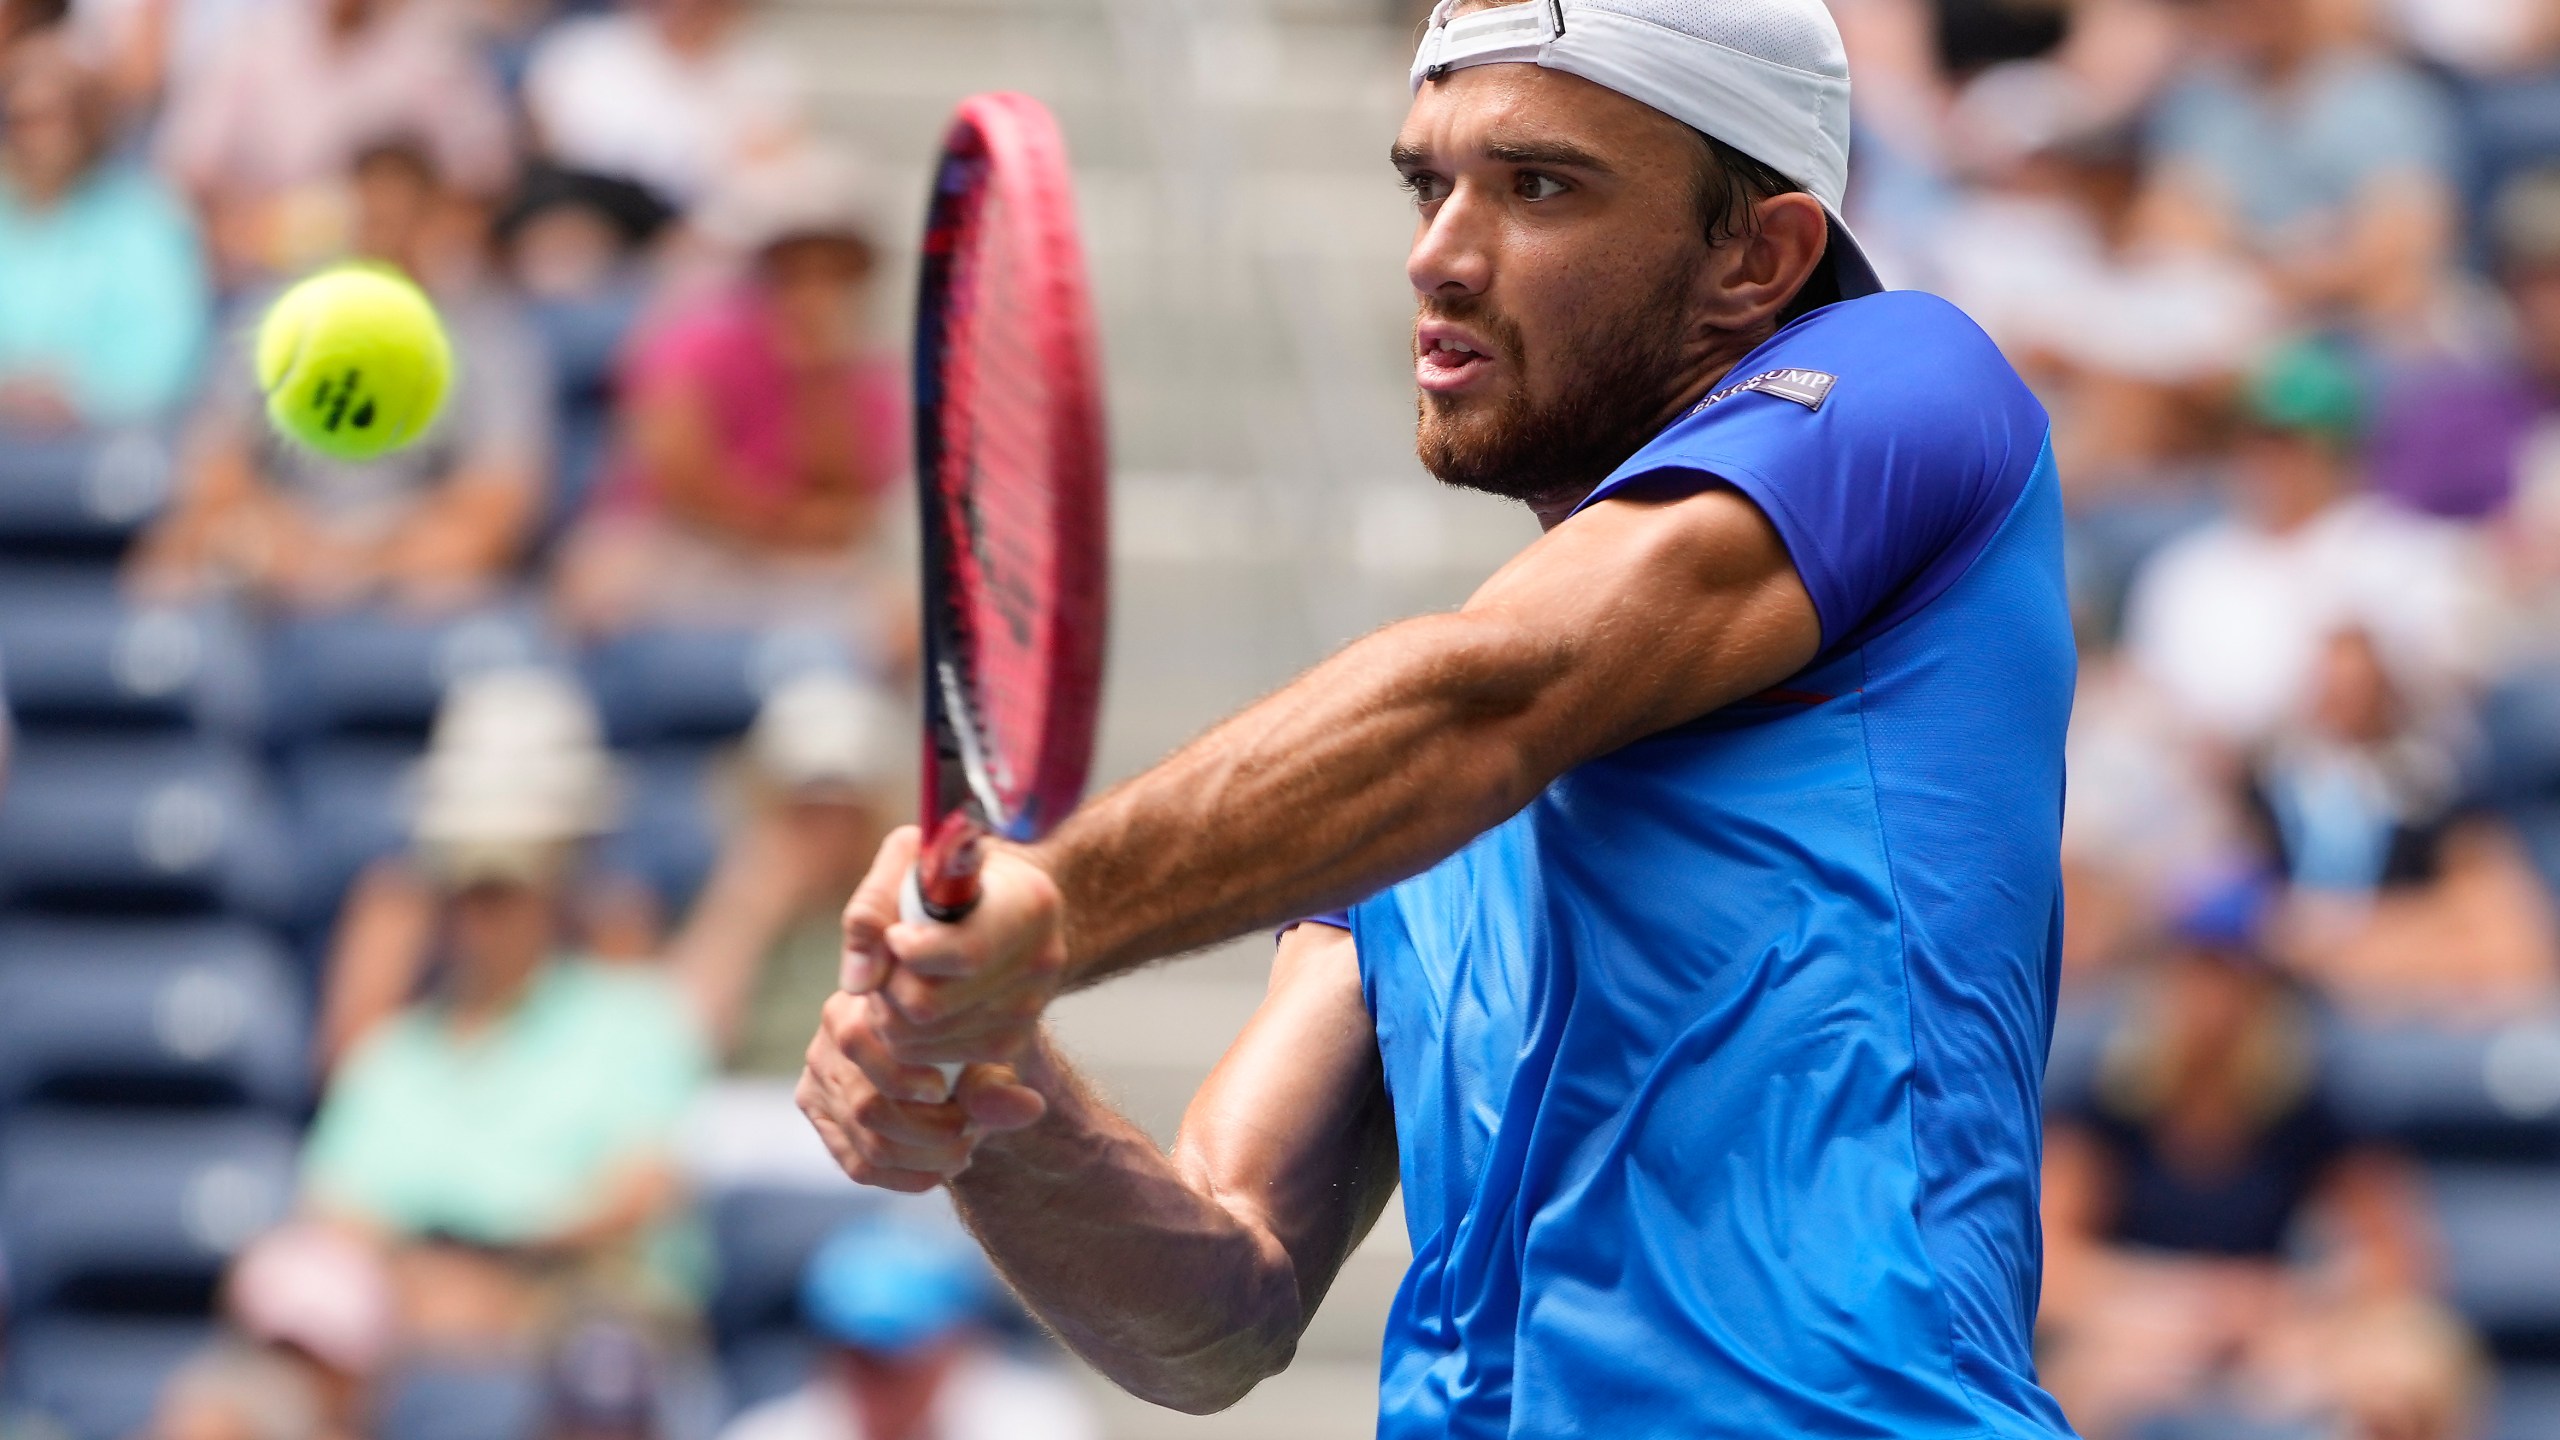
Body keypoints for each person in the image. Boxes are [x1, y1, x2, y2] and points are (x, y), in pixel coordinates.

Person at [798, 0, 2080, 1434]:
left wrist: (1049, 901)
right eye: (1430, 182)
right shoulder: (1401, 781)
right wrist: (991, 1075)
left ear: (1758, 255)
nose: (1438, 254)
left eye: (1539, 185)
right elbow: (1216, 1309)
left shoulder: (1913, 380)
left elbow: (1495, 691)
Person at [299, 668, 708, 1351]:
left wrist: (496, 1276)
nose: (478, 915)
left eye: (501, 885)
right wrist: (428, 1287)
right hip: (413, 1329)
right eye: (460, 883)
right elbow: (334, 1214)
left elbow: (643, 1193)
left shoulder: (639, 1018)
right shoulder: (393, 1054)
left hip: (572, 1334)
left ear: (557, 883)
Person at [2037, 881, 2456, 1440]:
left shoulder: (2313, 1103)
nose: (2210, 999)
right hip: (2133, 1327)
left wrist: (2288, 1308)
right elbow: (2049, 1262)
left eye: (2231, 975)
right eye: (2191, 971)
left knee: (2405, 1370)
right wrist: (2164, 1302)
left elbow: (2396, 1260)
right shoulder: (2103, 1099)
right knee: (2069, 1386)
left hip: (2275, 1331)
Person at [129, 138, 555, 615]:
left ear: (433, 220)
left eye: (401, 220)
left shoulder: (486, 329)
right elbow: (214, 463)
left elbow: (500, 496)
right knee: (174, 555)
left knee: (462, 560)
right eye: (370, 219)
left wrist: (367, 560)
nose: (383, 238)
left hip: (413, 540)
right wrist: (286, 538)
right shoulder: (277, 314)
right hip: (282, 527)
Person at [553, 149, 902, 640]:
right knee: (595, 591)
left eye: (835, 270)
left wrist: (823, 384)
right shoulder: (695, 337)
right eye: (796, 268)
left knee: (898, 622)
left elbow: (849, 508)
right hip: (670, 543)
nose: (815, 288)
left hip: (791, 563)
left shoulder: (868, 373)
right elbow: (681, 479)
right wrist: (783, 522)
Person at [2121, 337, 2491, 745]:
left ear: (2338, 449)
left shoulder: (2403, 549)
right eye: (2254, 440)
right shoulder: (2181, 569)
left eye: (2289, 443)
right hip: (2204, 782)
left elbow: (2448, 682)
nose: (2268, 461)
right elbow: (2150, 703)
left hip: (2363, 780)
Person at [2135, 0, 2460, 336]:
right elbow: (2169, 230)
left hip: (2358, 335)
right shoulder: (2198, 101)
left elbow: (2399, 248)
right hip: (2229, 332)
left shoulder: (2390, 99)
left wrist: (2285, 279)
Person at [153, 0, 510, 285]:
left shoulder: (431, 52)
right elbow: (185, 169)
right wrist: (249, 228)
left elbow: (484, 178)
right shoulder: (251, 41)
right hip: (261, 274)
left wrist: (405, 224)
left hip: (399, 279)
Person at [671, 674, 906, 1076]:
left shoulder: (903, 910)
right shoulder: (736, 894)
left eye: (845, 812)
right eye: (806, 809)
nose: (826, 832)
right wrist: (748, 910)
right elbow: (679, 1039)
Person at [716, 1218, 1096, 1440]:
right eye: (854, 1353)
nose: (873, 1376)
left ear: (958, 1342)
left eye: (896, 1357)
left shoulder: (1034, 1422)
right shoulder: (768, 1432)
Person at [0, 34, 208, 432]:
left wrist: (77, 395)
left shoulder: (147, 217)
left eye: (48, 118)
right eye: (18, 120)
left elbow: (162, 356)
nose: (31, 137)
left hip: (100, 442)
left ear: (86, 121)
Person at [519, 0, 808, 210]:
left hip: (711, 220)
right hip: (595, 211)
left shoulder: (765, 66)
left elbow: (766, 161)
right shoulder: (579, 51)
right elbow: (550, 149)